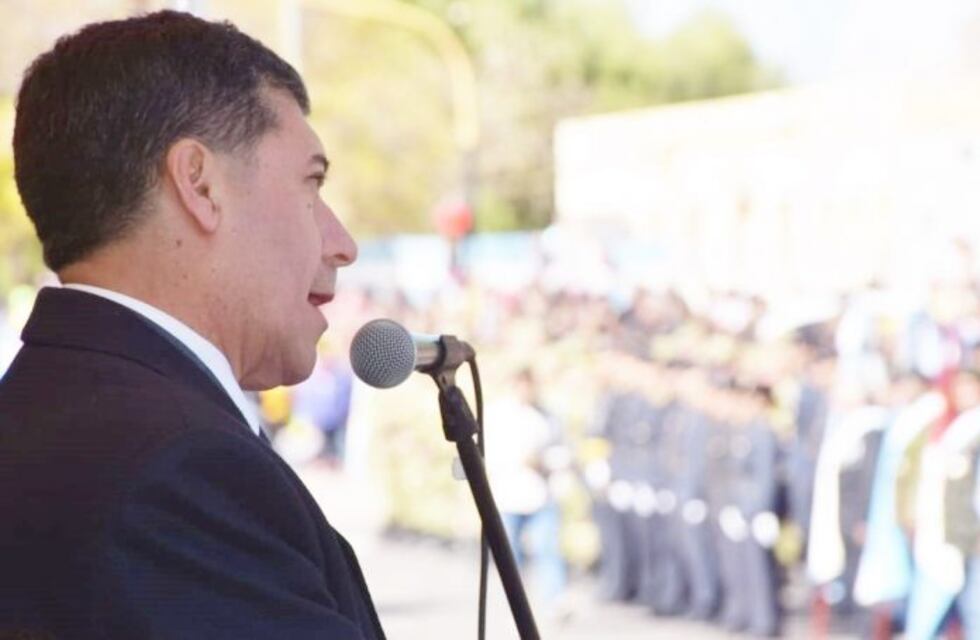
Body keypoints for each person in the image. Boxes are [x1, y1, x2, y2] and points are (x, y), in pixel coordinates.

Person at [0, 11, 383, 639]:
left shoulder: (44, 410)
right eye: (310, 184)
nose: (341, 243)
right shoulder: (180, 469)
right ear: (200, 186)